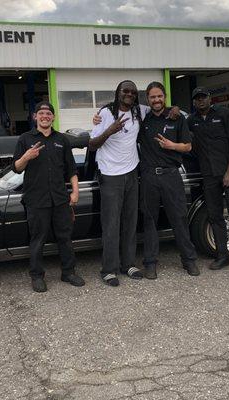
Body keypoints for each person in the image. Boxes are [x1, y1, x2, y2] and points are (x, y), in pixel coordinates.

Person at [12, 101, 85, 292]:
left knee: (65, 238)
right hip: (36, 200)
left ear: (53, 117)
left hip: (61, 199)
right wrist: (27, 156)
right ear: (35, 116)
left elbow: (71, 169)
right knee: (38, 239)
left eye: (48, 113)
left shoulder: (61, 139)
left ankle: (68, 272)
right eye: (41, 113)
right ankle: (37, 276)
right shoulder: (25, 139)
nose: (45, 116)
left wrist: (75, 192)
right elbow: (17, 168)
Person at [187, 87, 229, 276]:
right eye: (197, 98)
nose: (200, 101)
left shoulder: (224, 114)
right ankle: (223, 256)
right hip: (209, 175)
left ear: (209, 98)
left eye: (203, 97)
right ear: (194, 102)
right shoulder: (192, 121)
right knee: (215, 216)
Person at [138, 81, 198, 279]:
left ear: (164, 97)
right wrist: (97, 118)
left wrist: (172, 146)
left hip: (171, 175)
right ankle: (150, 263)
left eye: (159, 96)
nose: (156, 100)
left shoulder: (177, 118)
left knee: (179, 218)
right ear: (148, 99)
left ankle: (189, 260)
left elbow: (188, 147)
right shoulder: (143, 120)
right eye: (153, 97)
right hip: (148, 177)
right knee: (150, 220)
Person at [89, 80, 146, 286]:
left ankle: (128, 264)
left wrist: (174, 109)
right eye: (125, 91)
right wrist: (109, 130)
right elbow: (92, 144)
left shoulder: (139, 111)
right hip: (110, 174)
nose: (129, 94)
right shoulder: (105, 113)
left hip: (132, 173)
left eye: (132, 92)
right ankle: (109, 269)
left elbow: (161, 109)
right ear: (118, 93)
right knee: (111, 224)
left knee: (130, 222)